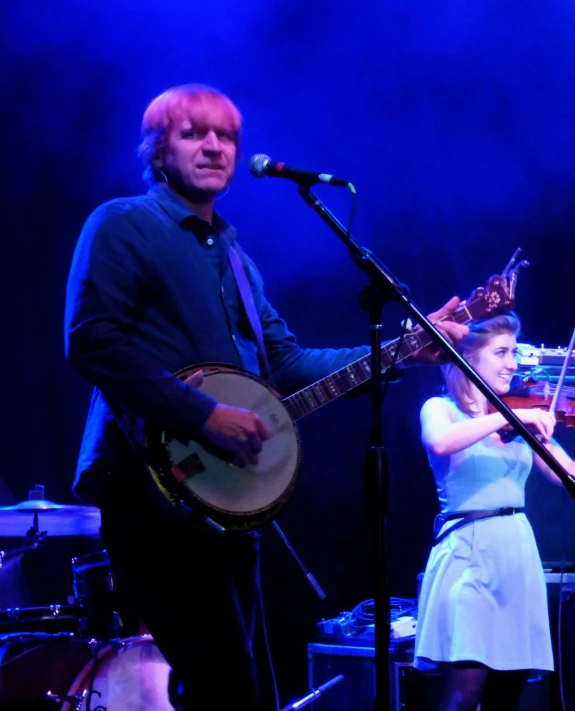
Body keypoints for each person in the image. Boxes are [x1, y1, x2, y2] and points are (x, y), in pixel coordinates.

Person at [65, 83, 468, 710]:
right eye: (194, 133)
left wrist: (405, 349)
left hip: (228, 501)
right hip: (150, 488)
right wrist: (205, 414)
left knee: (240, 688)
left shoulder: (237, 259)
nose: (215, 147)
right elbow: (92, 341)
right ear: (158, 150)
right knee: (227, 685)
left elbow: (289, 363)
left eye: (226, 137)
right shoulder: (123, 224)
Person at [414, 312, 575, 711]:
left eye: (514, 353)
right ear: (469, 357)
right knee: (463, 692)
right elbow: (440, 443)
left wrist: (527, 424)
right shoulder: (441, 408)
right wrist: (513, 416)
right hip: (469, 551)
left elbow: (566, 474)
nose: (514, 363)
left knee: (510, 692)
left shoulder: (518, 416)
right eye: (502, 352)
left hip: (516, 554)